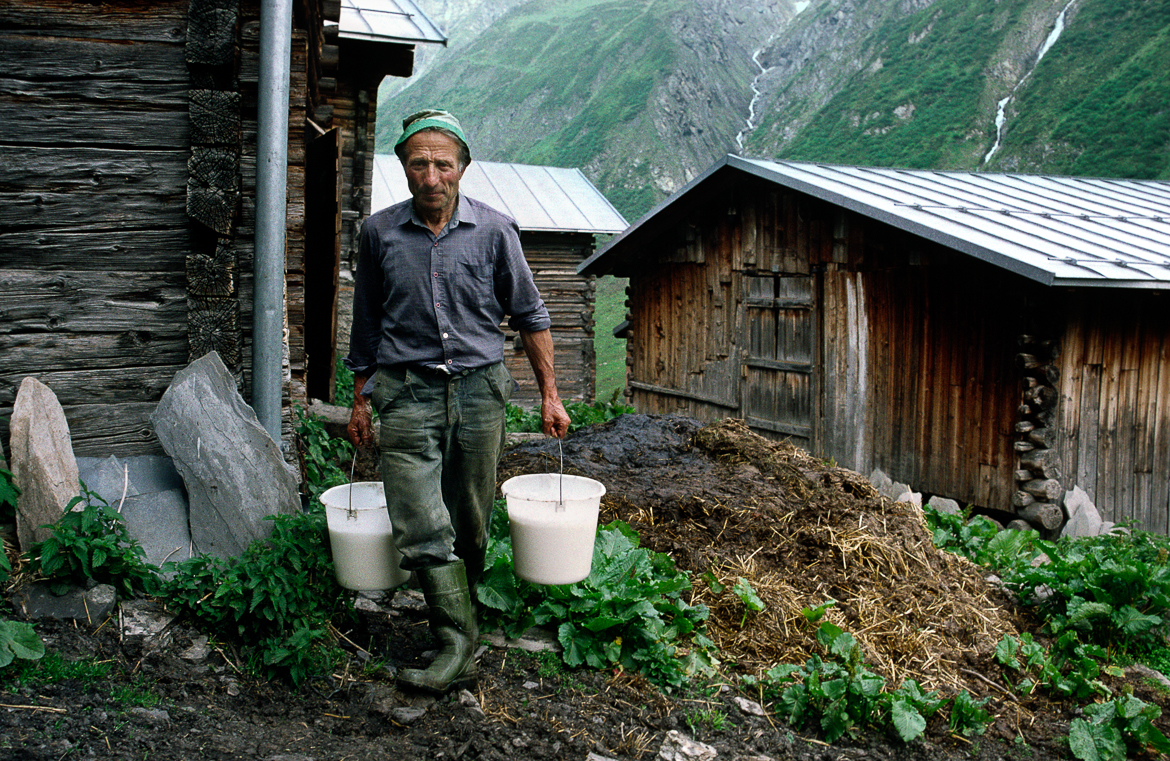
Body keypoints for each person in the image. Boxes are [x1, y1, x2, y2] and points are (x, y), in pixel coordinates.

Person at [344, 109, 571, 695]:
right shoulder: (379, 234)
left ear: (462, 168)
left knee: (469, 520)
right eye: (419, 163)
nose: (431, 174)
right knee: (419, 520)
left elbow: (531, 315)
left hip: (479, 390)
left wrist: (550, 394)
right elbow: (365, 323)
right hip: (405, 389)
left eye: (443, 162)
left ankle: (465, 614)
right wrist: (360, 400)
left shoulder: (496, 231)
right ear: (405, 169)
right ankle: (456, 640)